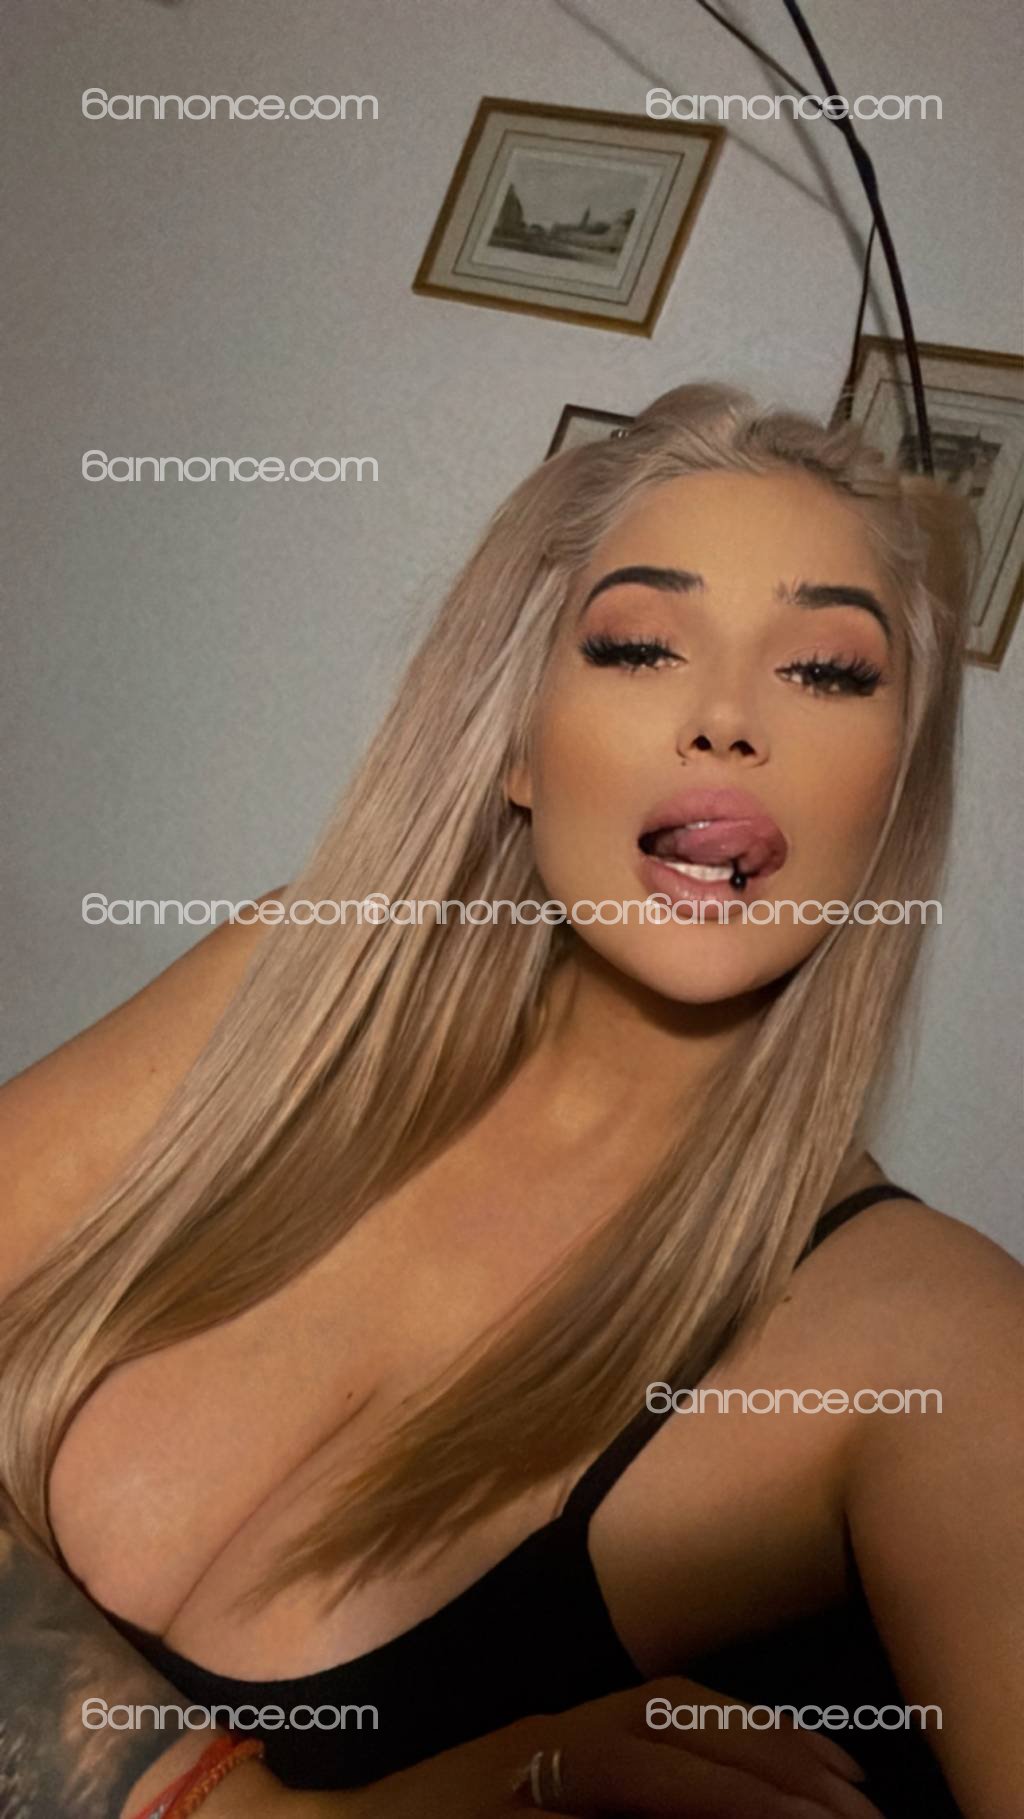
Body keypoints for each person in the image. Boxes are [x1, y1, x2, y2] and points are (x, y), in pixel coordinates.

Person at [0, 383, 1020, 1819]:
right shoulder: (292, 992)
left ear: (894, 796)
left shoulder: (943, 1344)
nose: (729, 722)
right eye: (641, 646)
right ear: (519, 746)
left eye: (827, 672)